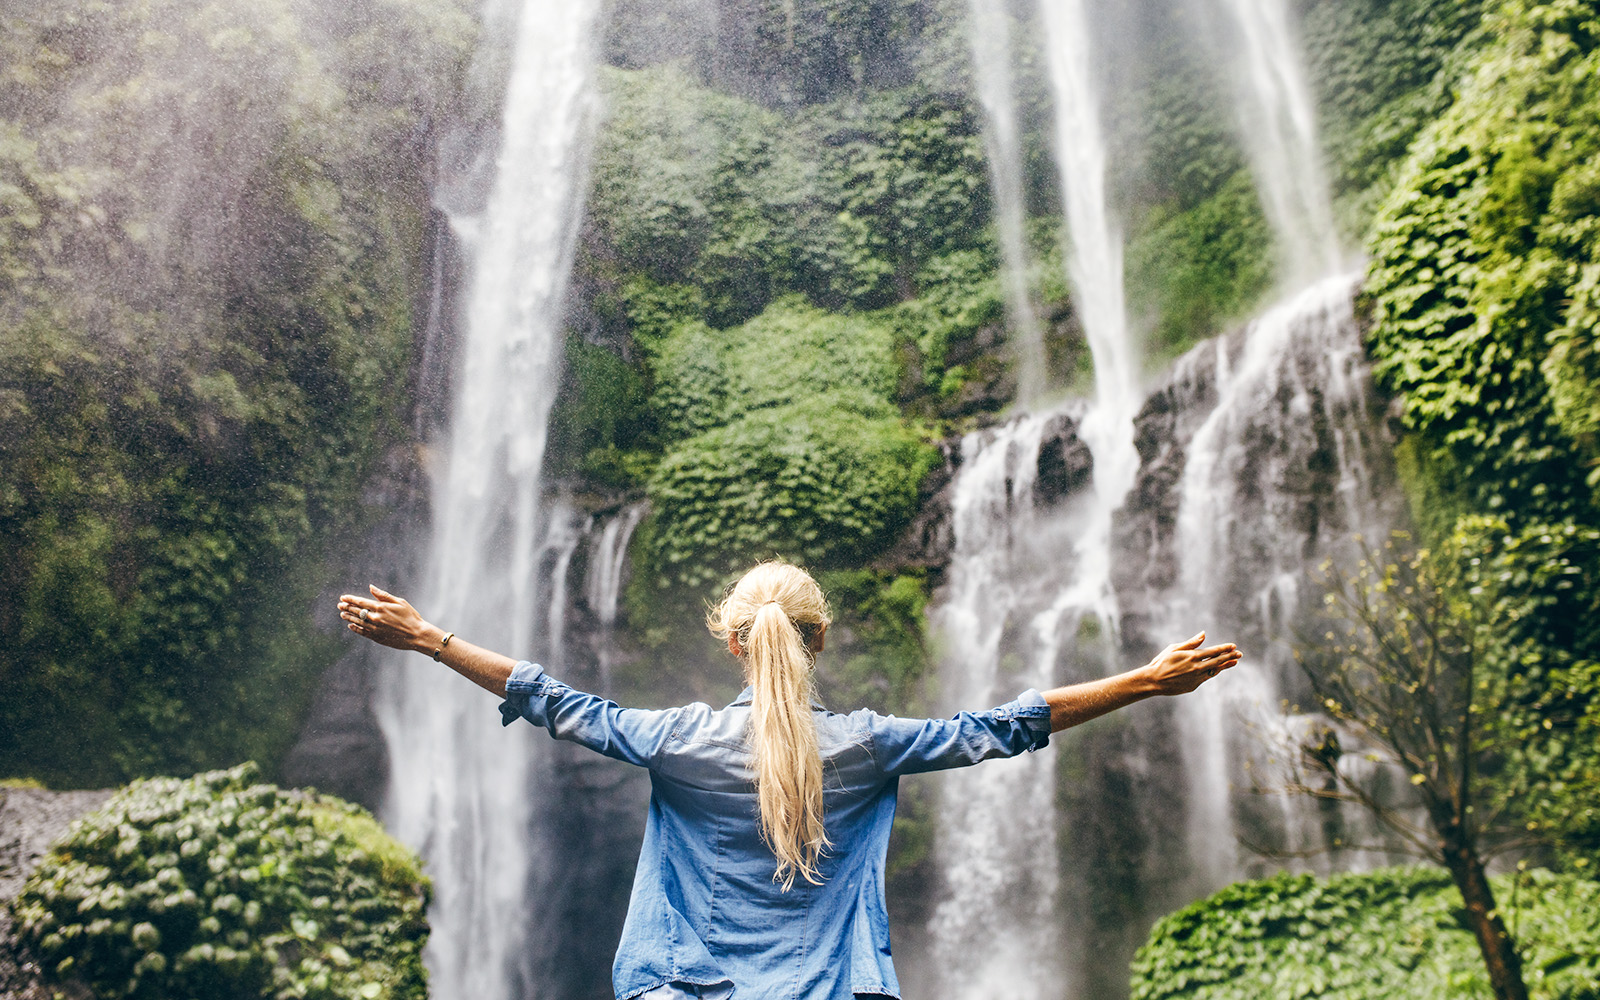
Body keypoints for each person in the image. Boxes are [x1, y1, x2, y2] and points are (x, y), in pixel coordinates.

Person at [339, 560, 1239, 1000]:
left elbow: (555, 700)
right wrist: (1144, 681)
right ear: (820, 640)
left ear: (732, 641)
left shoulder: (676, 741)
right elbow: (1002, 727)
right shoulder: (868, 747)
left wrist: (430, 638)